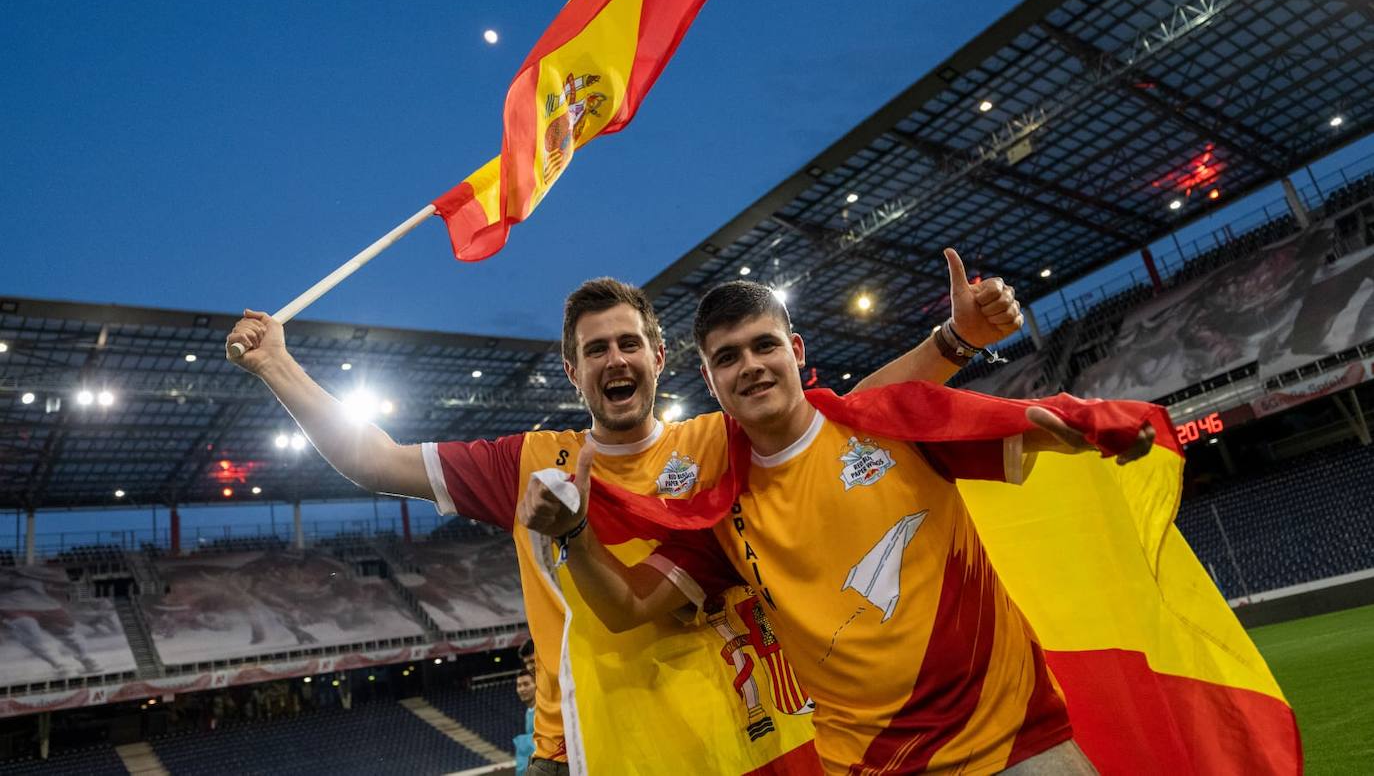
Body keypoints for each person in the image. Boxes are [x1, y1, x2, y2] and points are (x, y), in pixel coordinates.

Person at [225, 251, 1022, 775]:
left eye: (629, 343)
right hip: (586, 748)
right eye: (597, 349)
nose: (616, 359)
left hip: (749, 738)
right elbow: (373, 459)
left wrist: (954, 340)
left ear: (660, 357)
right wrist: (278, 366)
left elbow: (851, 414)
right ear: (573, 371)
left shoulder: (720, 439)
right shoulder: (531, 462)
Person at [521, 280, 1160, 774]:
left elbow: (1033, 424)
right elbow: (627, 607)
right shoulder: (717, 510)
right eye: (728, 357)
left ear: (796, 351)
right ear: (712, 382)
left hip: (1017, 747)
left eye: (764, 345)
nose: (751, 366)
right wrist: (575, 536)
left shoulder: (890, 419)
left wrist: (1095, 424)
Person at [514, 669, 537, 776]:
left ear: (536, 685)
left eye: (526, 684)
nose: (522, 689)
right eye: (519, 685)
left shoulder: (544, 711)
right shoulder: (528, 713)